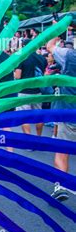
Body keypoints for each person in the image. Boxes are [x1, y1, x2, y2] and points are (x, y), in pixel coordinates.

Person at [46, 37, 76, 201]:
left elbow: (50, 46)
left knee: (62, 150)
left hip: (69, 113)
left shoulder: (69, 56)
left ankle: (61, 186)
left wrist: (56, 30)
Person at [14, 51, 47, 136]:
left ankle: (29, 140)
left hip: (24, 91)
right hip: (38, 91)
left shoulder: (22, 58)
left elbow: (18, 76)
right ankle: (38, 138)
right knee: (39, 116)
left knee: (23, 116)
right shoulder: (42, 58)